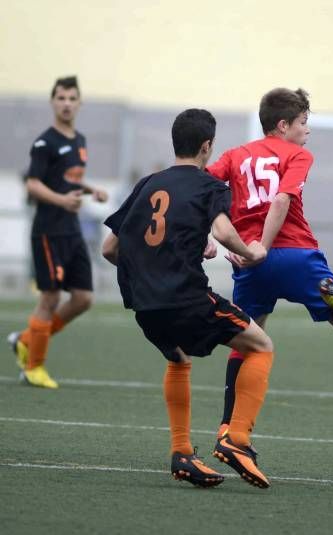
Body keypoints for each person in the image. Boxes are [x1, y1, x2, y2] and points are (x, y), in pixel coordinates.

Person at [102, 108, 273, 488]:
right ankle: (237, 440)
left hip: (146, 306)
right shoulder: (210, 186)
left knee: (177, 359)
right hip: (186, 300)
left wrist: (161, 266)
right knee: (261, 346)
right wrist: (250, 252)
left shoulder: (148, 183)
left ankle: (182, 453)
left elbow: (110, 248)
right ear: (207, 146)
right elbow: (225, 232)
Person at [206, 87, 333, 438]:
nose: (307, 130)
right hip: (294, 254)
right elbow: (281, 200)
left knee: (247, 341)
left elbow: (201, 187)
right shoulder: (297, 155)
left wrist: (224, 239)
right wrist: (264, 246)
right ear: (283, 125)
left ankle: (226, 426)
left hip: (249, 263)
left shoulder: (235, 155)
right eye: (303, 122)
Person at [7, 76, 108, 389]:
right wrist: (63, 200)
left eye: (71, 98)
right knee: (50, 296)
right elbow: (33, 183)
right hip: (49, 230)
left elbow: (68, 179)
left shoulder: (80, 140)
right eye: (61, 98)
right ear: (53, 102)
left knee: (83, 298)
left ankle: (26, 340)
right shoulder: (44, 142)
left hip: (72, 230)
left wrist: (91, 189)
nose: (66, 103)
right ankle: (32, 366)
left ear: (79, 103)